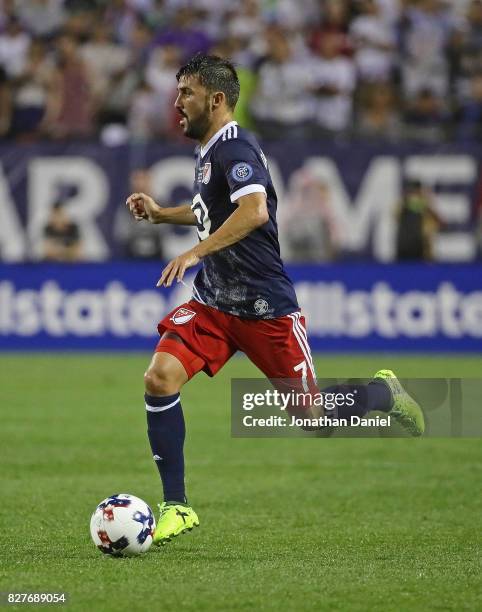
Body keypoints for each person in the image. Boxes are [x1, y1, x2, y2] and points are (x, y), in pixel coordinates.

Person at [125, 54, 425, 547]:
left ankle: (383, 394)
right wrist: (162, 215)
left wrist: (195, 251)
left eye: (186, 93)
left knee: (313, 418)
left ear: (216, 99)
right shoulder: (208, 151)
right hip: (215, 304)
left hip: (265, 309)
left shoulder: (236, 146)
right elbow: (210, 213)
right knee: (159, 378)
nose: (176, 102)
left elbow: (254, 212)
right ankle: (176, 505)